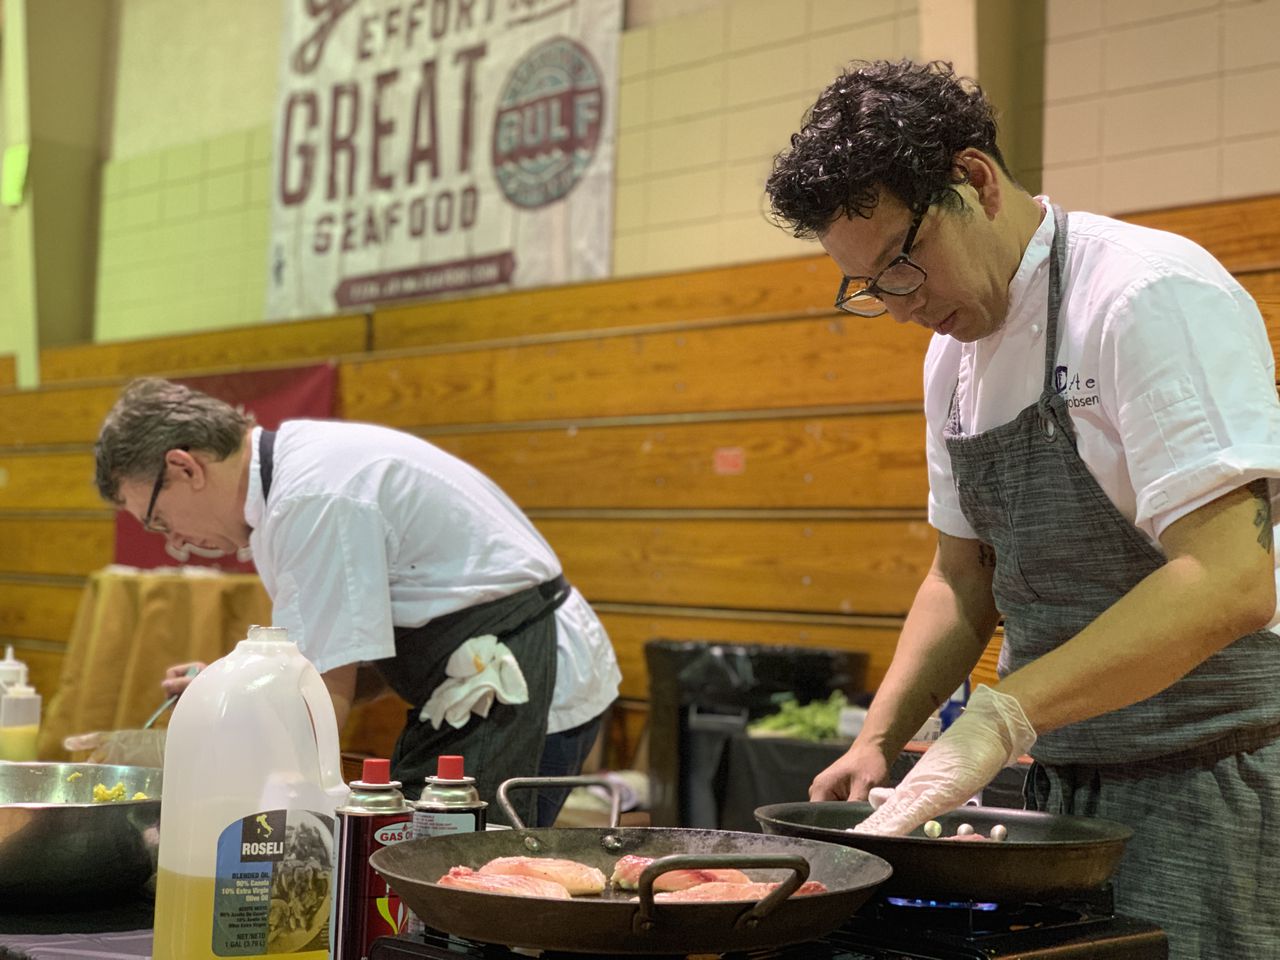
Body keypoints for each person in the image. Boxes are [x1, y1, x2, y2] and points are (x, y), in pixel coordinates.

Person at [765, 59, 1280, 956]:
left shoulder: (1143, 294)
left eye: (899, 265)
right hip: (1069, 780)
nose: (898, 307)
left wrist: (1004, 715)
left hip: (1213, 772)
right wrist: (880, 737)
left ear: (975, 181)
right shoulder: (950, 357)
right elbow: (963, 577)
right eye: (868, 287)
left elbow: (1231, 580)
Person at [94, 378, 621, 826]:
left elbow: (322, 696)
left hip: (531, 681)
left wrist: (255, 815)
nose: (176, 542)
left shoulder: (310, 496)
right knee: (427, 885)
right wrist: (235, 691)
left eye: (160, 520)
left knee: (451, 890)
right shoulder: (296, 469)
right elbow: (344, 661)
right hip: (488, 673)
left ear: (185, 467)